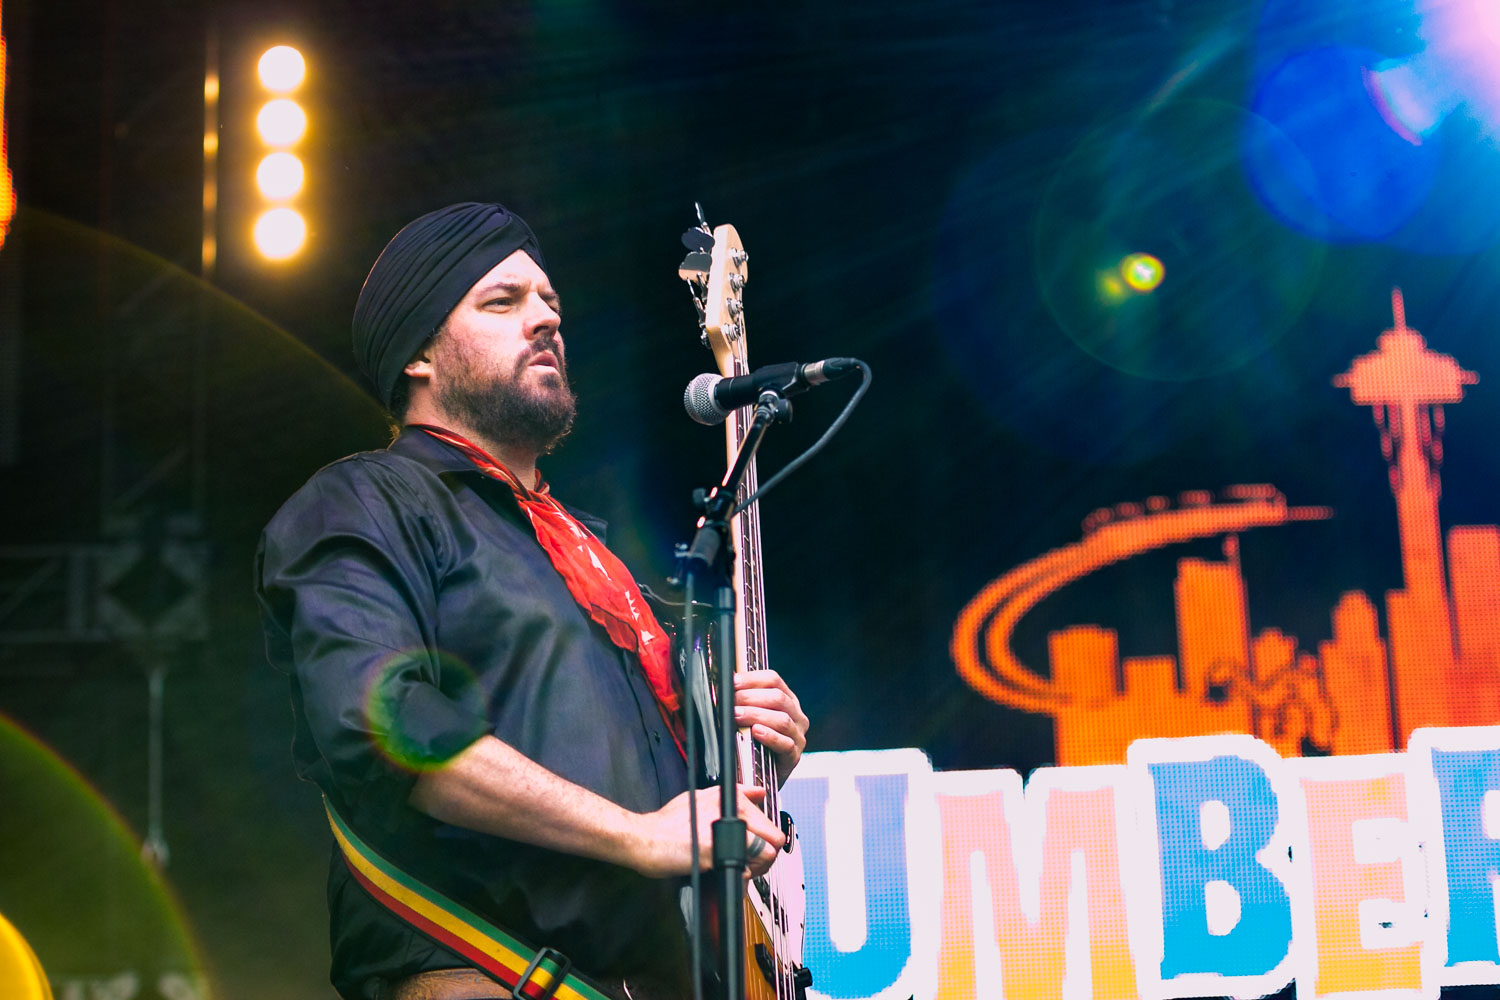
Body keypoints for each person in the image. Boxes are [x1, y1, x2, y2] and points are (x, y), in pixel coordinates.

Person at [255, 202, 810, 1000]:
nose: (544, 319)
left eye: (549, 303)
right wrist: (639, 835)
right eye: (502, 302)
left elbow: (662, 803)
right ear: (418, 354)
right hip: (482, 977)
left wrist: (751, 760)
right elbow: (385, 727)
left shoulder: (596, 558)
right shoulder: (364, 502)